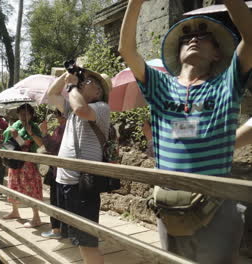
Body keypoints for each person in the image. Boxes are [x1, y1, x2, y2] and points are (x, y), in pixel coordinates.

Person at [119, 0, 252, 262]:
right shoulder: (159, 85)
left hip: (216, 206)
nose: (193, 39)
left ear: (217, 54)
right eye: (186, 37)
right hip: (168, 206)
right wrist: (136, 3)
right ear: (178, 51)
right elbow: (126, 49)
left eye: (204, 37)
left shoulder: (226, 84)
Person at [47, 67, 112, 264]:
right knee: (76, 238)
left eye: (89, 81)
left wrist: (73, 85)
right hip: (65, 181)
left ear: (99, 91)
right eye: (83, 81)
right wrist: (64, 77)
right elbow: (52, 95)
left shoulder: (101, 107)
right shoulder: (72, 107)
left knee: (87, 241)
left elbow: (81, 110)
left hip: (82, 184)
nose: (84, 82)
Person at [2, 103, 43, 228]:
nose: (23, 116)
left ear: (31, 115)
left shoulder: (34, 127)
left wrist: (21, 136)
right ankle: (15, 211)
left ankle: (36, 217)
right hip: (15, 161)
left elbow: (39, 144)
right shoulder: (15, 125)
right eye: (20, 114)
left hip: (28, 162)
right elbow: (7, 139)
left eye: (26, 114)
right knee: (13, 185)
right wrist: (12, 133)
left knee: (31, 186)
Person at [39, 110, 67, 239]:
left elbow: (53, 147)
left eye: (58, 114)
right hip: (69, 171)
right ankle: (66, 230)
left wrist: (44, 132)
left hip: (59, 170)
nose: (57, 117)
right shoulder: (77, 127)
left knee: (56, 200)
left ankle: (56, 230)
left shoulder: (62, 129)